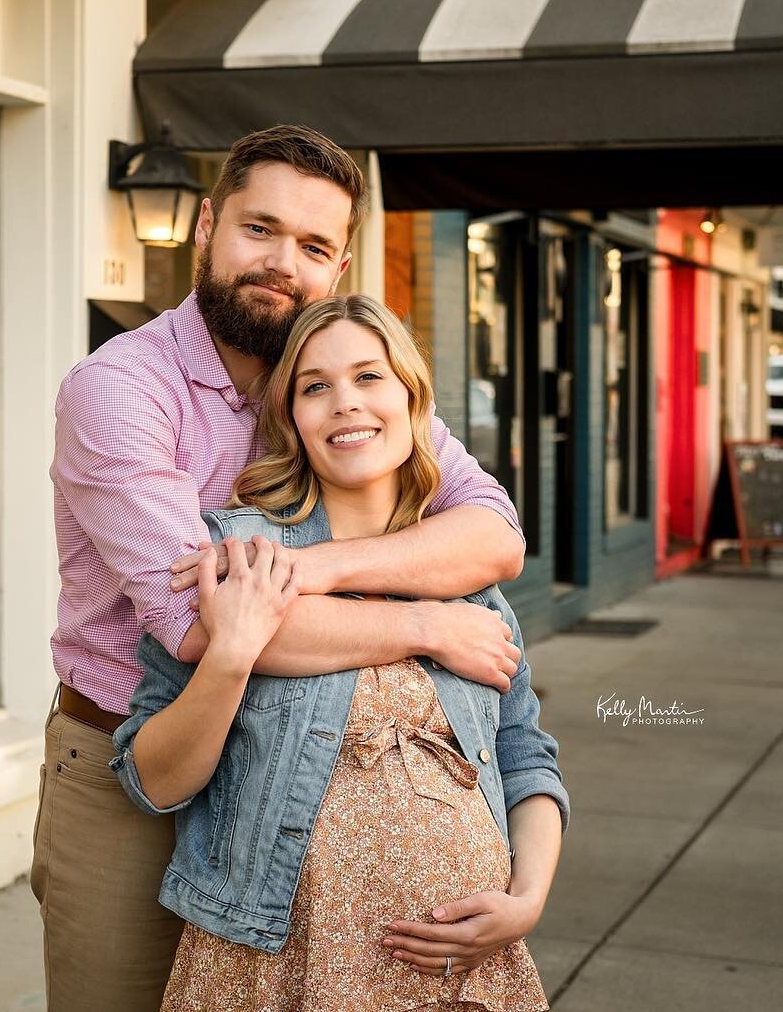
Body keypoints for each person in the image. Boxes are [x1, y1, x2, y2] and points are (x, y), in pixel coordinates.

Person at [35, 125, 528, 1011]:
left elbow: (493, 535)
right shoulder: (119, 391)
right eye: (259, 229)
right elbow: (200, 626)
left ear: (337, 269)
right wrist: (428, 624)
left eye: (312, 247)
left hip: (297, 770)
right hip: (135, 756)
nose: (281, 264)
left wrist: (322, 568)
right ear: (206, 225)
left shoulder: (336, 381)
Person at [113, 294, 568, 1012]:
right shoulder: (237, 553)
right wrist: (233, 653)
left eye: (368, 376)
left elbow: (525, 754)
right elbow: (152, 779)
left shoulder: (465, 572)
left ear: (413, 398)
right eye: (315, 386)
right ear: (291, 417)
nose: (345, 404)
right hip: (280, 965)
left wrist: (528, 897)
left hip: (463, 977)